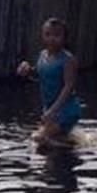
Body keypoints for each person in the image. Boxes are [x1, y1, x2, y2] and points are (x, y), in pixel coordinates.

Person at [17, 18, 82, 147]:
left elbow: (69, 86)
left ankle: (72, 146)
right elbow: (39, 76)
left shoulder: (68, 60)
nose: (52, 39)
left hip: (66, 109)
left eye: (56, 35)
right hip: (50, 107)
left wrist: (53, 110)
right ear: (42, 36)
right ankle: (72, 144)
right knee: (47, 142)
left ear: (64, 38)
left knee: (38, 138)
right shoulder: (43, 55)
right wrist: (27, 70)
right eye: (48, 34)